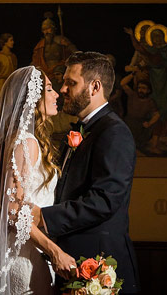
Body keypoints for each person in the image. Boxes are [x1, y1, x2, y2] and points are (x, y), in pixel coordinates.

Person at [36, 52, 139, 294]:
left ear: (95, 87)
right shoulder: (83, 130)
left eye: (71, 83)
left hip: (100, 265)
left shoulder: (114, 132)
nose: (62, 89)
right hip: (70, 261)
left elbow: (105, 200)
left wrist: (44, 217)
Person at [0, 65, 76, 295]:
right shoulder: (25, 142)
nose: (57, 93)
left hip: (28, 250)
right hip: (25, 257)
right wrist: (54, 251)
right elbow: (12, 212)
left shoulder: (16, 139)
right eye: (49, 89)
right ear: (33, 97)